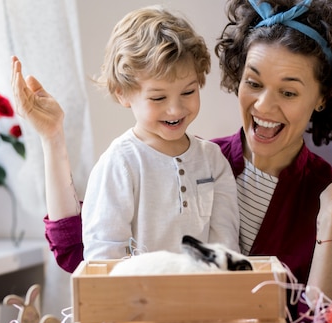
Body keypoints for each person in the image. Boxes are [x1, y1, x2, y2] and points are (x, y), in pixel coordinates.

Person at [11, 0, 332, 323]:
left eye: (288, 93)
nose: (264, 105)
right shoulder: (196, 157)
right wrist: (52, 139)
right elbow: (79, 256)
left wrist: (329, 221)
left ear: (321, 97)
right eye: (253, 83)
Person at [12, 6, 240, 263]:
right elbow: (103, 258)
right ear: (122, 93)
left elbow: (227, 252)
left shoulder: (214, 160)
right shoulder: (119, 163)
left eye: (188, 92)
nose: (175, 108)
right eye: (158, 97)